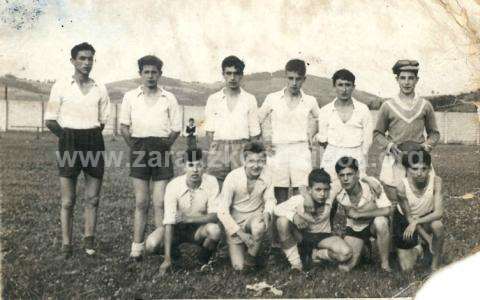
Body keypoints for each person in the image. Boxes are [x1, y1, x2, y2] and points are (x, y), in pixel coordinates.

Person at [45, 42, 110, 259]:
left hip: (93, 141)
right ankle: (66, 244)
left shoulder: (100, 88)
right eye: (82, 58)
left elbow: (101, 121)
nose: (87, 63)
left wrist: (87, 134)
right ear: (73, 60)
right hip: (69, 141)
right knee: (68, 200)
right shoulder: (61, 86)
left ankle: (89, 242)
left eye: (90, 58)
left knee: (92, 198)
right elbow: (51, 120)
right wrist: (68, 138)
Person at [119, 55, 181, 260]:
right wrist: (136, 147)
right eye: (146, 72)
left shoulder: (169, 97)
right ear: (140, 74)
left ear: (160, 74)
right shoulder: (130, 97)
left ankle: (161, 245)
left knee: (160, 201)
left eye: (154, 72)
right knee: (141, 201)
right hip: (139, 148)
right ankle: (136, 246)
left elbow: (176, 128)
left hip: (161, 148)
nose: (150, 76)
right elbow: (124, 127)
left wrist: (165, 146)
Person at [373, 60, 440, 203]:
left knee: (420, 199)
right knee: (395, 200)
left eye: (411, 78)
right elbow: (377, 133)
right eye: (402, 78)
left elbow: (434, 133)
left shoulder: (425, 105)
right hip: (395, 159)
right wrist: (390, 146)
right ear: (397, 79)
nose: (407, 82)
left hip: (418, 159)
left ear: (417, 80)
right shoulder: (388, 105)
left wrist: (427, 145)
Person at [258, 59, 320, 205]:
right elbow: (257, 119)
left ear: (304, 79)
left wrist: (312, 135)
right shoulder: (272, 98)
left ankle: (296, 225)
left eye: (298, 79)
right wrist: (264, 143)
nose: (294, 83)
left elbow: (322, 119)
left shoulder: (310, 100)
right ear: (285, 77)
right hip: (277, 149)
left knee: (301, 191)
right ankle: (280, 225)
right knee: (279, 192)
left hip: (301, 149)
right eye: (290, 78)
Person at [274, 168, 352, 271]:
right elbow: (276, 209)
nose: (322, 194)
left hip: (322, 236)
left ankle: (317, 255)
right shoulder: (299, 200)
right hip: (301, 236)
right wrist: (294, 216)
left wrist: (370, 181)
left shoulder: (330, 196)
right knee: (282, 222)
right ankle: (296, 265)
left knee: (346, 253)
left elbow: (343, 179)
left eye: (325, 189)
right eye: (318, 190)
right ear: (309, 189)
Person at [159, 149, 221, 275]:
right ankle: (174, 255)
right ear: (183, 167)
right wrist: (167, 259)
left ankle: (203, 260)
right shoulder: (173, 185)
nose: (195, 170)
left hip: (199, 230)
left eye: (199, 165)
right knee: (151, 244)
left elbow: (214, 216)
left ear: (205, 167)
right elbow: (169, 221)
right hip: (177, 230)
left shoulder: (212, 182)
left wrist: (189, 218)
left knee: (215, 230)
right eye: (191, 165)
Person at [217, 142, 276, 271]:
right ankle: (238, 248)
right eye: (251, 161)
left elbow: (270, 199)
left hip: (254, 217)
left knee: (259, 227)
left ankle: (251, 260)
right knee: (238, 267)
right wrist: (240, 234)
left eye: (260, 161)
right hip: (235, 222)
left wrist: (267, 212)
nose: (256, 166)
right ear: (244, 160)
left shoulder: (268, 174)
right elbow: (222, 211)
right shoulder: (232, 177)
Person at [204, 56, 261, 186]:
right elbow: (209, 132)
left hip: (241, 148)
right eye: (228, 73)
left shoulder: (249, 99)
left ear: (241, 75)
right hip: (218, 148)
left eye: (236, 73)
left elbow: (255, 134)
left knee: (241, 187)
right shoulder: (214, 99)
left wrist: (250, 156)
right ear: (223, 74)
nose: (232, 78)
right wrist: (213, 153)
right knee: (215, 187)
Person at [333, 156, 392, 272]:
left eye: (349, 174)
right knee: (344, 268)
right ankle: (365, 248)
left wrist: (359, 214)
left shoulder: (371, 185)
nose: (345, 179)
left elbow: (388, 210)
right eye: (342, 175)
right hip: (356, 227)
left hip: (372, 225)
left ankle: (385, 264)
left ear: (357, 174)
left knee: (381, 222)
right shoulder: (338, 192)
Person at [315, 69, 373, 177]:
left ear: (353, 87)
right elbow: (323, 139)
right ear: (334, 87)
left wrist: (361, 157)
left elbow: (368, 140)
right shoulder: (325, 110)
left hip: (356, 156)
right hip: (332, 157)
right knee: (331, 189)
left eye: (348, 85)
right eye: (340, 85)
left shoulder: (363, 109)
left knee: (356, 189)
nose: (344, 89)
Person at [394, 149, 444, 271]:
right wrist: (428, 239)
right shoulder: (401, 187)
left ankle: (435, 264)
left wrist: (417, 222)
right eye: (414, 169)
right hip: (405, 220)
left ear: (429, 169)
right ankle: (419, 248)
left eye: (424, 168)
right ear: (407, 170)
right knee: (407, 268)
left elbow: (439, 213)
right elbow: (409, 218)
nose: (419, 173)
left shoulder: (436, 181)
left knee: (438, 226)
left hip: (426, 217)